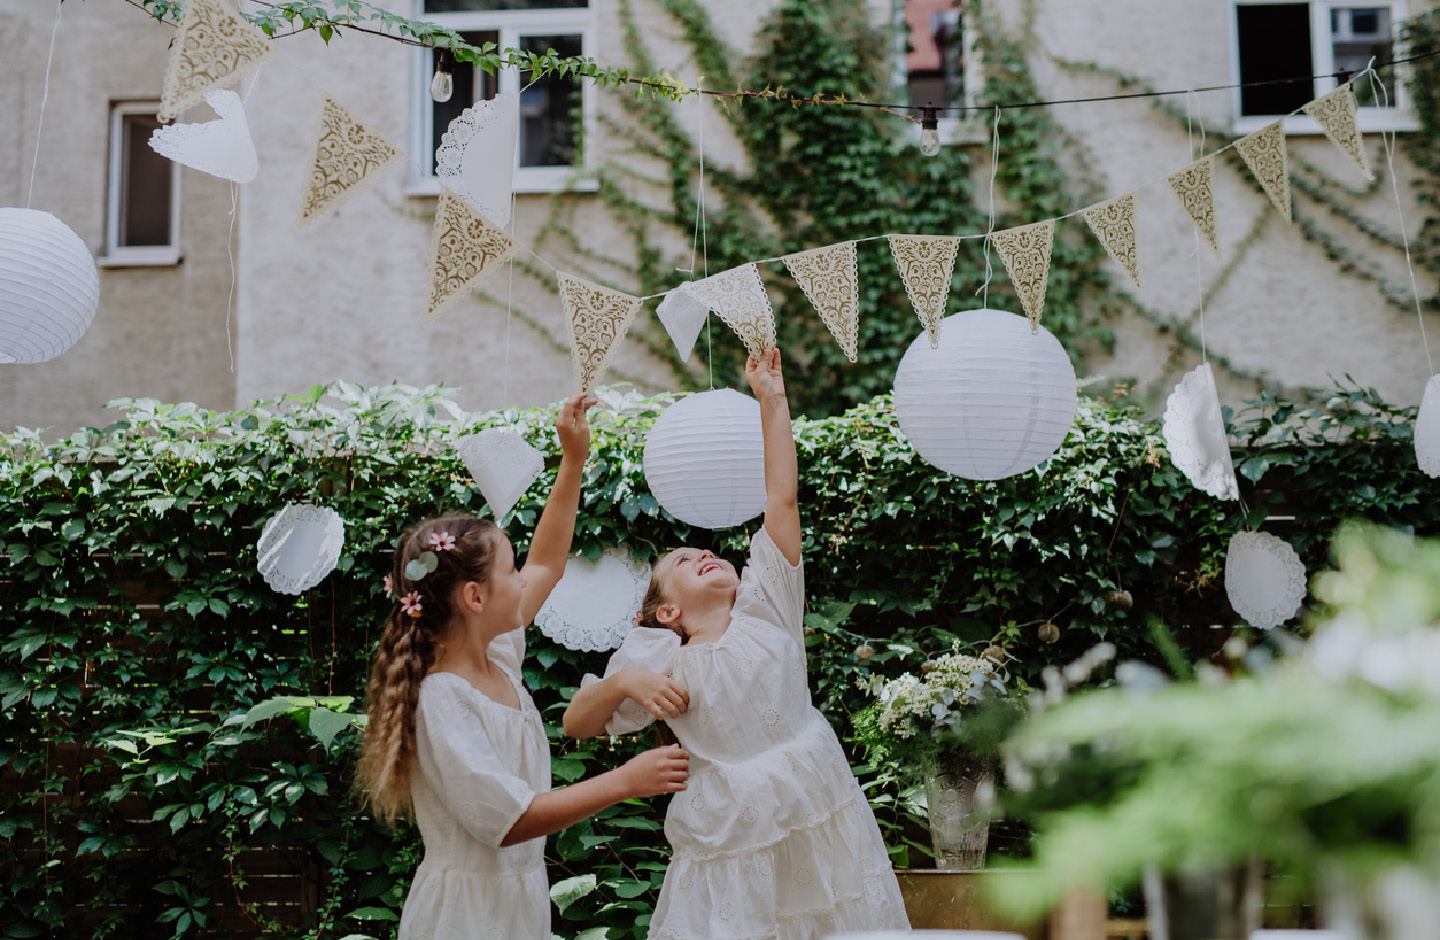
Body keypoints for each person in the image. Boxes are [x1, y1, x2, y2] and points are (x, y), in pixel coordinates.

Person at [563, 351, 910, 940]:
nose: (702, 553)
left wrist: (772, 401)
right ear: (667, 611)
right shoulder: (659, 659)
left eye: (706, 552)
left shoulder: (768, 606)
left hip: (813, 801)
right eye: (682, 560)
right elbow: (577, 724)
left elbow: (782, 501)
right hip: (729, 830)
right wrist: (622, 683)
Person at [356, 392, 690, 940]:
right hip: (464, 918)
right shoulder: (444, 697)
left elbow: (547, 561)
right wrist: (624, 782)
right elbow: (508, 821)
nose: (524, 581)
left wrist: (574, 461)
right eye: (510, 574)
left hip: (517, 903)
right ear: (474, 597)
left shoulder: (497, 657)